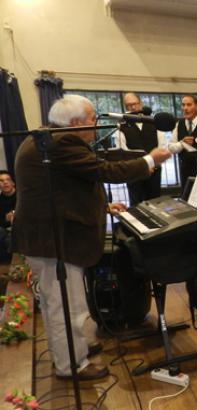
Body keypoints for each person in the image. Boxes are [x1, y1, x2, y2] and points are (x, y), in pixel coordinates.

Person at [12, 94, 171, 380]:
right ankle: (71, 365)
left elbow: (67, 185)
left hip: (47, 236)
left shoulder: (48, 137)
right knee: (66, 305)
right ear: (74, 123)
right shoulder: (61, 142)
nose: (95, 124)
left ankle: (70, 351)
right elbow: (103, 170)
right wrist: (150, 158)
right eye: (90, 119)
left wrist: (104, 206)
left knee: (57, 302)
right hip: (55, 240)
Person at [169, 94, 197, 243]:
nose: (185, 108)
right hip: (185, 169)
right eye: (183, 105)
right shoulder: (179, 124)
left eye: (188, 105)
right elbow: (171, 147)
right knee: (188, 204)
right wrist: (181, 143)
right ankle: (194, 237)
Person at [115, 92, 166, 205]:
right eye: (128, 105)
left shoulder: (153, 122)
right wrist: (139, 167)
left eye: (135, 104)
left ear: (141, 103)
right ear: (125, 107)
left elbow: (162, 145)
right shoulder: (121, 126)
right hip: (133, 172)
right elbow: (123, 152)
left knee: (154, 203)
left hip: (154, 170)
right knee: (136, 204)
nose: (133, 107)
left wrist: (154, 163)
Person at [0, 171, 16, 261]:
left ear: (13, 183)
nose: (5, 182)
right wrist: (6, 219)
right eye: (1, 181)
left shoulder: (22, 197)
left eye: (8, 180)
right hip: (7, 230)